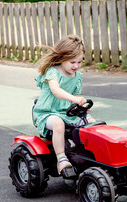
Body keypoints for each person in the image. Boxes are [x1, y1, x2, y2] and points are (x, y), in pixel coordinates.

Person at [33, 34, 95, 175]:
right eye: (72, 62)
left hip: (67, 112)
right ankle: (61, 159)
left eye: (79, 62)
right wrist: (73, 99)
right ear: (62, 58)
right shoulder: (53, 72)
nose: (76, 66)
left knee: (91, 123)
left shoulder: (77, 76)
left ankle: (91, 155)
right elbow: (56, 90)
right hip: (47, 113)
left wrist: (82, 107)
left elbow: (76, 96)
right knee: (58, 124)